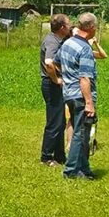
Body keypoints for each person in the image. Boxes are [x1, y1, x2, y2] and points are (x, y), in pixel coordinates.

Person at [57, 12, 99, 180]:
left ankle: (84, 168)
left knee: (82, 130)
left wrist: (67, 78)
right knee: (80, 133)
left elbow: (56, 61)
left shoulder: (68, 43)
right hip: (81, 97)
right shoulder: (85, 49)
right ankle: (71, 170)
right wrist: (89, 102)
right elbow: (84, 78)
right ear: (91, 28)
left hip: (68, 94)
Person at [39, 14, 72, 166]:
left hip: (56, 85)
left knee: (60, 121)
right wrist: (56, 79)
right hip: (51, 85)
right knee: (54, 121)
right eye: (68, 23)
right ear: (62, 27)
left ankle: (59, 156)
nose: (71, 25)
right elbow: (49, 63)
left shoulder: (60, 39)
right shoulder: (52, 41)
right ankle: (46, 157)